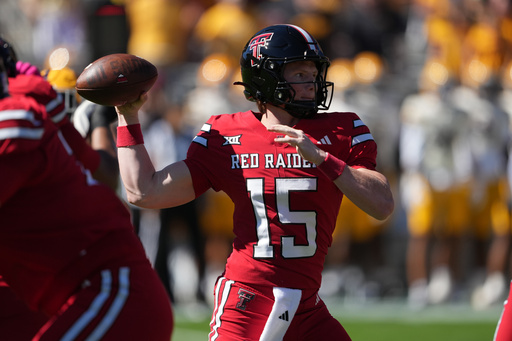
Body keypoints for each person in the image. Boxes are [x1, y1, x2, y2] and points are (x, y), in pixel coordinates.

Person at [115, 24, 394, 340]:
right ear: (266, 78)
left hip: (307, 306)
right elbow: (144, 192)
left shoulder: (343, 130)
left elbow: (382, 205)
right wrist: (128, 118)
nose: (313, 83)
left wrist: (323, 159)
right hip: (248, 301)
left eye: (313, 73)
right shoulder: (227, 134)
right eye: (300, 75)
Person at [0, 54, 173, 340]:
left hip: (108, 291)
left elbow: (103, 174)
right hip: (71, 293)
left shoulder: (16, 117)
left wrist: (99, 122)